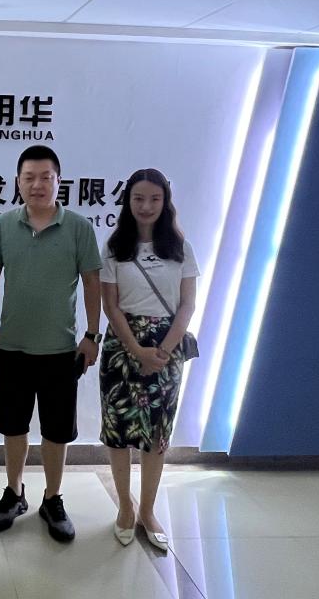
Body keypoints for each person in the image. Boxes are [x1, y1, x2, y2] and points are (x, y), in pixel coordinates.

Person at [0, 145, 102, 543]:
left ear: (58, 181)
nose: (37, 185)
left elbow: (92, 283)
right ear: (17, 182)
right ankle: (14, 492)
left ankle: (52, 498)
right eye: (29, 178)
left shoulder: (79, 228)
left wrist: (92, 335)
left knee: (56, 430)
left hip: (61, 349)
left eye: (45, 177)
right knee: (13, 426)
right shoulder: (4, 225)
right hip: (13, 346)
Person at [99, 168, 198, 551]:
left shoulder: (181, 248)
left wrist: (163, 351)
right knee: (119, 432)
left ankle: (148, 511)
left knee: (156, 435)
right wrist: (137, 350)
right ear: (128, 201)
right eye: (138, 198)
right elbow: (111, 305)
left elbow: (187, 304)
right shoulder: (114, 246)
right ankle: (125, 508)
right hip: (122, 348)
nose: (146, 206)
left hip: (167, 346)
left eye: (154, 199)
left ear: (165, 201)